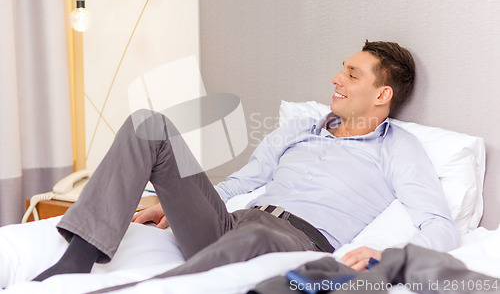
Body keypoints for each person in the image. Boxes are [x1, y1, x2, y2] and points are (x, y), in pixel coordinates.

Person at [33, 40, 459, 286]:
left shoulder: (398, 149)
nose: (336, 79)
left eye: (351, 74)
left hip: (297, 242)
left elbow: (440, 226)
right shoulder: (299, 129)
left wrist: (388, 256)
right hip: (234, 222)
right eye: (341, 70)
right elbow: (241, 183)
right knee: (149, 124)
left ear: (382, 95)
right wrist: (176, 202)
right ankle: (77, 260)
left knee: (248, 242)